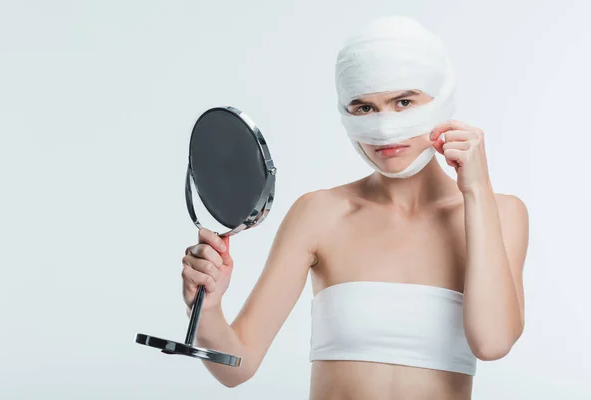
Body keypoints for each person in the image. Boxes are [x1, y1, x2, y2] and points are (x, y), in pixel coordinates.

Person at [180, 15, 529, 400]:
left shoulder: (501, 213)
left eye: (404, 102)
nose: (383, 128)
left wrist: (475, 189)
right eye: (364, 108)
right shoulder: (319, 214)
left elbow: (493, 342)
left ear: (440, 100)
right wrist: (208, 311)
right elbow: (237, 367)